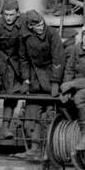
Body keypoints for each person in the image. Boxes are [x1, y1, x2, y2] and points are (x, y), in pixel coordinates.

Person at [20, 9, 64, 161]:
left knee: (50, 117)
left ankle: (48, 150)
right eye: (37, 25)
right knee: (30, 116)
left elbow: (58, 59)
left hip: (50, 79)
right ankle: (34, 148)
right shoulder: (26, 38)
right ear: (30, 26)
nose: (41, 27)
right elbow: (24, 60)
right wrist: (26, 80)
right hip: (35, 82)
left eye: (41, 23)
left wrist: (55, 82)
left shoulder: (52, 34)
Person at [0, 0, 29, 140]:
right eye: (6, 15)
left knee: (11, 96)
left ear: (18, 13)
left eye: (12, 15)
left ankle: (6, 128)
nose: (8, 18)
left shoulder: (23, 24)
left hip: (14, 65)